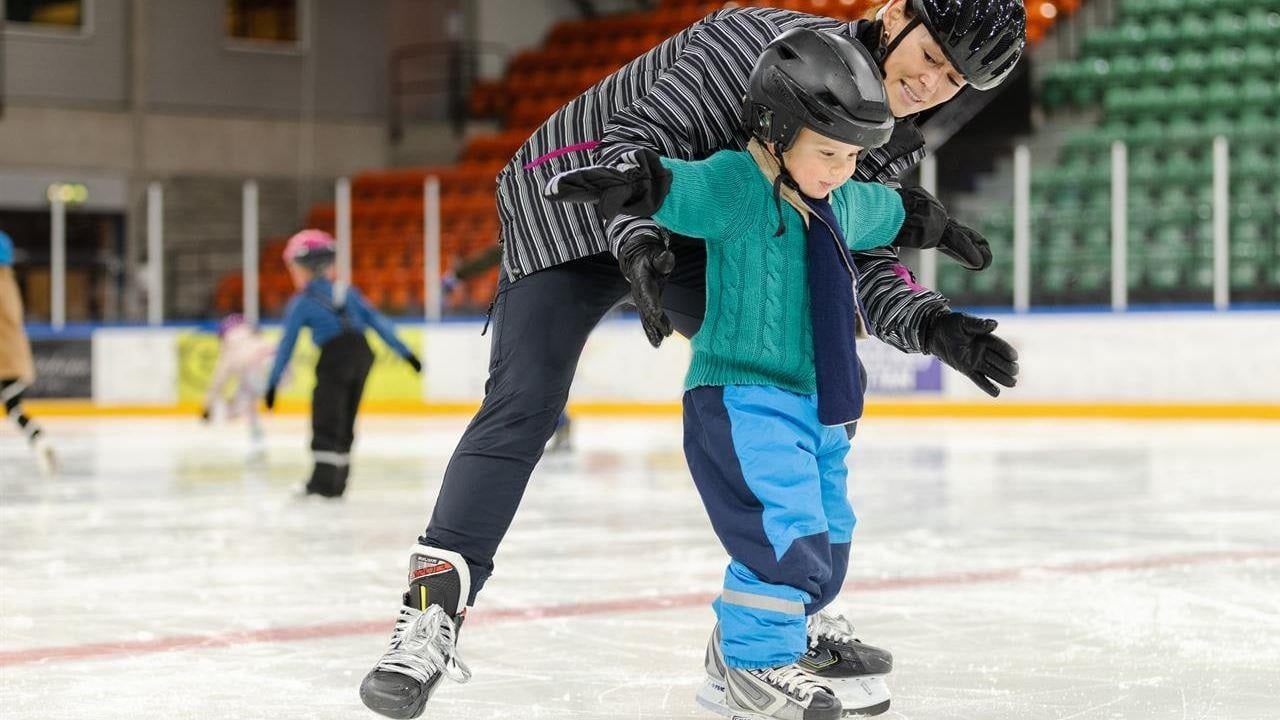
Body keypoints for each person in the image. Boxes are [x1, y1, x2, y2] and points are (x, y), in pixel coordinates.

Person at [360, 3, 1024, 718]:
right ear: (896, 13)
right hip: (576, 205)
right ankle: (428, 619)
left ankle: (781, 610)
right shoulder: (753, 42)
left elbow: (849, 255)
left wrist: (930, 325)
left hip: (704, 231)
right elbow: (634, 144)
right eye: (931, 58)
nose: (932, 85)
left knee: (820, 358)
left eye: (954, 80)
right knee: (525, 403)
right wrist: (639, 239)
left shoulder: (886, 135)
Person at [549, 28, 910, 718]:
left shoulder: (838, 199)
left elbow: (887, 211)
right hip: (744, 398)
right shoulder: (741, 185)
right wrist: (633, 185)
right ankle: (754, 666)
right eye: (828, 152)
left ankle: (765, 645)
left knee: (829, 543)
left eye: (853, 157)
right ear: (777, 132)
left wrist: (933, 222)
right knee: (785, 534)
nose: (841, 170)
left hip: (822, 406)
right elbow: (679, 188)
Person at [264, 230, 423, 498]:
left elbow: (286, 345)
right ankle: (338, 483)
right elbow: (377, 322)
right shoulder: (347, 292)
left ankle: (321, 485)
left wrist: (272, 384)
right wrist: (408, 355)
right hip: (362, 354)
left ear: (304, 267)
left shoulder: (302, 302)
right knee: (346, 418)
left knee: (326, 417)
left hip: (334, 356)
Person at [0, 230, 57, 478]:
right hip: (13, 359)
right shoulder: (8, 283)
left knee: (13, 407)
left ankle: (39, 439)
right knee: (13, 408)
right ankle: (38, 438)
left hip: (6, 359)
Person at [200, 313, 276, 457]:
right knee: (246, 396)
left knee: (243, 402)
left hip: (256, 373)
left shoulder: (229, 349)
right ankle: (252, 429)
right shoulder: (254, 335)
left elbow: (218, 380)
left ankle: (248, 426)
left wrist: (206, 407)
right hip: (277, 367)